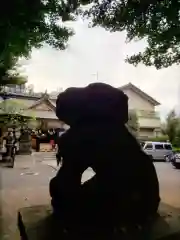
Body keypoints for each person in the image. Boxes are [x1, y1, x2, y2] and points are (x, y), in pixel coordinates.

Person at [49, 83, 160, 239]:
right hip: (147, 197)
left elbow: (66, 182)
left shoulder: (83, 137)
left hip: (127, 202)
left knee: (61, 192)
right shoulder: (121, 135)